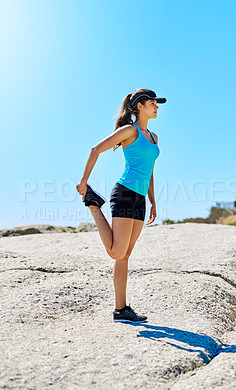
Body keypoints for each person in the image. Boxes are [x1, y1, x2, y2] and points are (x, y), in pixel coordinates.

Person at [76, 88, 167, 323]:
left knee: (124, 255)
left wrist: (153, 200)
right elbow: (95, 149)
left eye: (157, 104)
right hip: (125, 193)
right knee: (116, 251)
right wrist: (84, 182)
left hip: (140, 198)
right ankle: (94, 206)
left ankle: (121, 309)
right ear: (139, 106)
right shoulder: (129, 130)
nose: (157, 107)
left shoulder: (153, 137)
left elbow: (150, 170)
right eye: (152, 103)